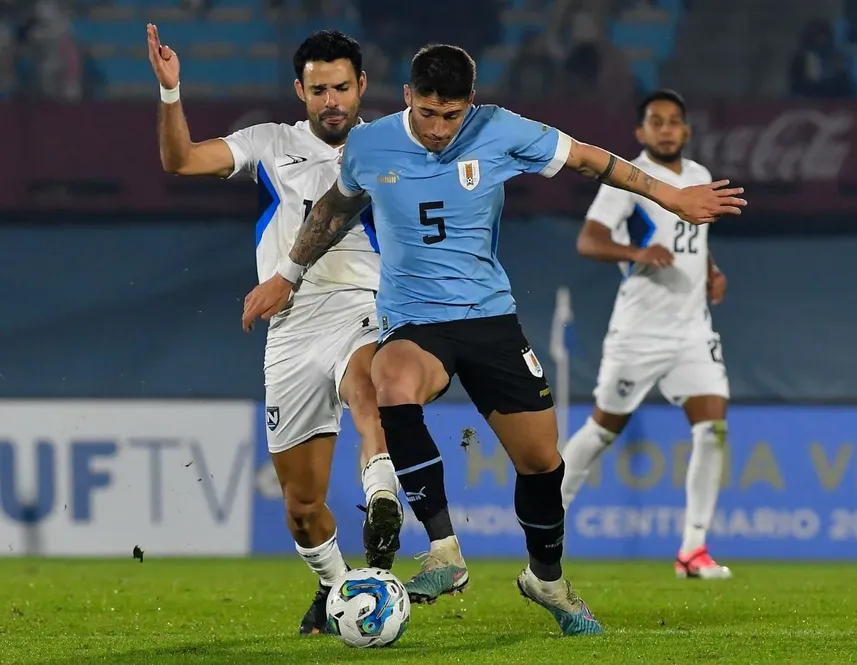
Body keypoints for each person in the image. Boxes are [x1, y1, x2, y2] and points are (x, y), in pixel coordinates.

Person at [242, 45, 746, 636]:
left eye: (451, 116)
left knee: (541, 461)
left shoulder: (500, 130)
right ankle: (443, 551)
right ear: (407, 97)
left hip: (489, 320)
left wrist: (672, 195)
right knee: (392, 383)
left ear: (469, 106)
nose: (438, 129)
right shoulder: (372, 144)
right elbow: (334, 208)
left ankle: (547, 580)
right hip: (413, 321)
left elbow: (589, 159)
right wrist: (289, 274)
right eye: (427, 113)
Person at [146, 26, 403, 635]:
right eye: (319, 90)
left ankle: (383, 495)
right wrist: (170, 92)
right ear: (300, 91)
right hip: (289, 331)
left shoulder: (391, 143)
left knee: (368, 388)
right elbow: (180, 160)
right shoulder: (270, 144)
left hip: (361, 303)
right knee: (302, 506)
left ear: (362, 85)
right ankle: (339, 588)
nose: (332, 100)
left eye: (342, 87)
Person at [560, 90, 732, 580]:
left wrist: (712, 271)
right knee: (600, 431)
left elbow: (694, 239)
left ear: (687, 130)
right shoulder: (626, 180)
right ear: (641, 132)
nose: (666, 129)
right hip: (639, 332)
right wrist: (638, 255)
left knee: (713, 428)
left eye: (674, 121)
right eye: (656, 121)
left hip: (692, 330)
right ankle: (547, 520)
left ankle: (693, 550)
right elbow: (588, 240)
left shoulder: (698, 177)